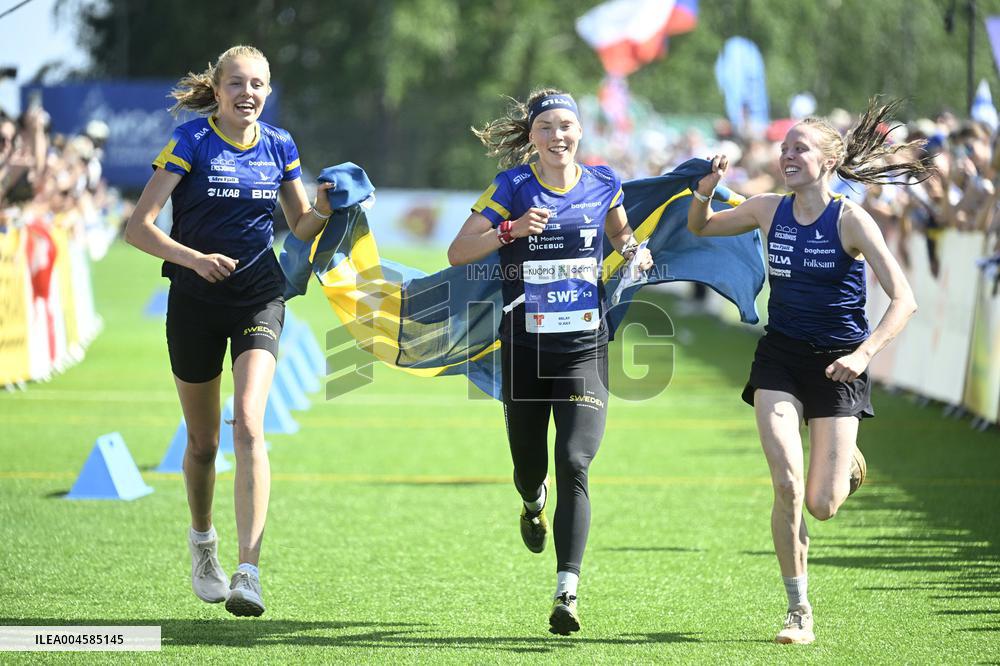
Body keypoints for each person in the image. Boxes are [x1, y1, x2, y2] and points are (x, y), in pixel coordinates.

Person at [687, 98, 927, 644]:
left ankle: (845, 463)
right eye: (784, 147)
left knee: (821, 504)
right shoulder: (768, 208)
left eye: (800, 148)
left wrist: (864, 355)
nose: (787, 154)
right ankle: (799, 610)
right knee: (787, 484)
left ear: (828, 160)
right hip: (780, 357)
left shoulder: (851, 218)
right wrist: (703, 190)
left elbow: (905, 299)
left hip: (839, 366)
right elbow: (700, 228)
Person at [124, 45, 332, 617]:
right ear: (216, 91)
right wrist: (193, 259)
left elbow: (299, 225)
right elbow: (137, 229)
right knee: (203, 442)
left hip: (258, 296)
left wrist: (327, 205)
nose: (248, 94)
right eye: (237, 83)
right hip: (193, 299)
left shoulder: (281, 144)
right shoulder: (191, 142)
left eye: (259, 85)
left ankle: (248, 572)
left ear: (269, 91)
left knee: (248, 423)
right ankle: (203, 543)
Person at [447, 89, 653, 635]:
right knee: (530, 467)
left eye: (566, 125)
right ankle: (531, 501)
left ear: (580, 131)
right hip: (525, 349)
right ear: (532, 137)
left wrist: (635, 251)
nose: (557, 136)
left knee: (576, 462)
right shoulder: (512, 186)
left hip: (585, 346)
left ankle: (567, 589)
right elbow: (458, 251)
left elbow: (620, 234)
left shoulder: (605, 182)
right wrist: (510, 230)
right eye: (546, 127)